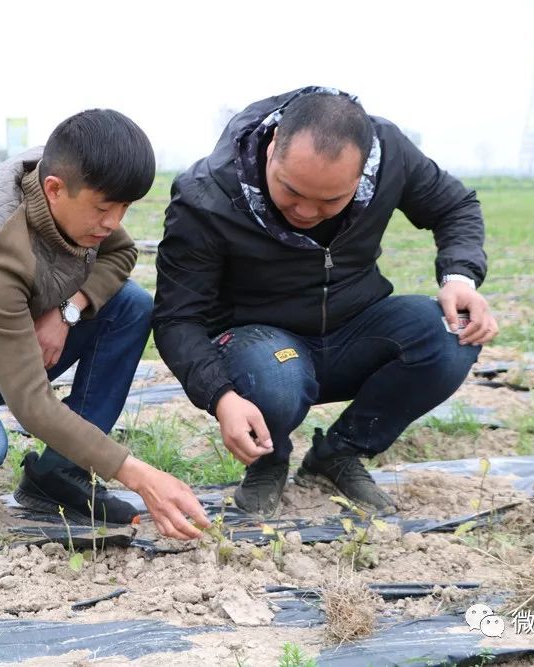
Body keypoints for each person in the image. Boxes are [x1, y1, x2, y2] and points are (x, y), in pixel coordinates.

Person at [153, 86, 499, 516]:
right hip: (262, 344)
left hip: (356, 324)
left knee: (451, 333)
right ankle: (268, 459)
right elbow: (177, 318)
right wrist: (221, 396)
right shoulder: (209, 194)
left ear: (361, 172)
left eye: (331, 200)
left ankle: (337, 454)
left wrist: (459, 278)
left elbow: (455, 206)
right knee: (276, 377)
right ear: (273, 146)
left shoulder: (390, 154)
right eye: (291, 191)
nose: (305, 211)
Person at [0, 109, 209, 540]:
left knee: (130, 306)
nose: (114, 222)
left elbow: (120, 255)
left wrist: (68, 309)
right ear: (54, 189)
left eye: (125, 208)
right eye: (104, 208)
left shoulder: (72, 182)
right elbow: (31, 403)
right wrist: (138, 475)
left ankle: (59, 475)